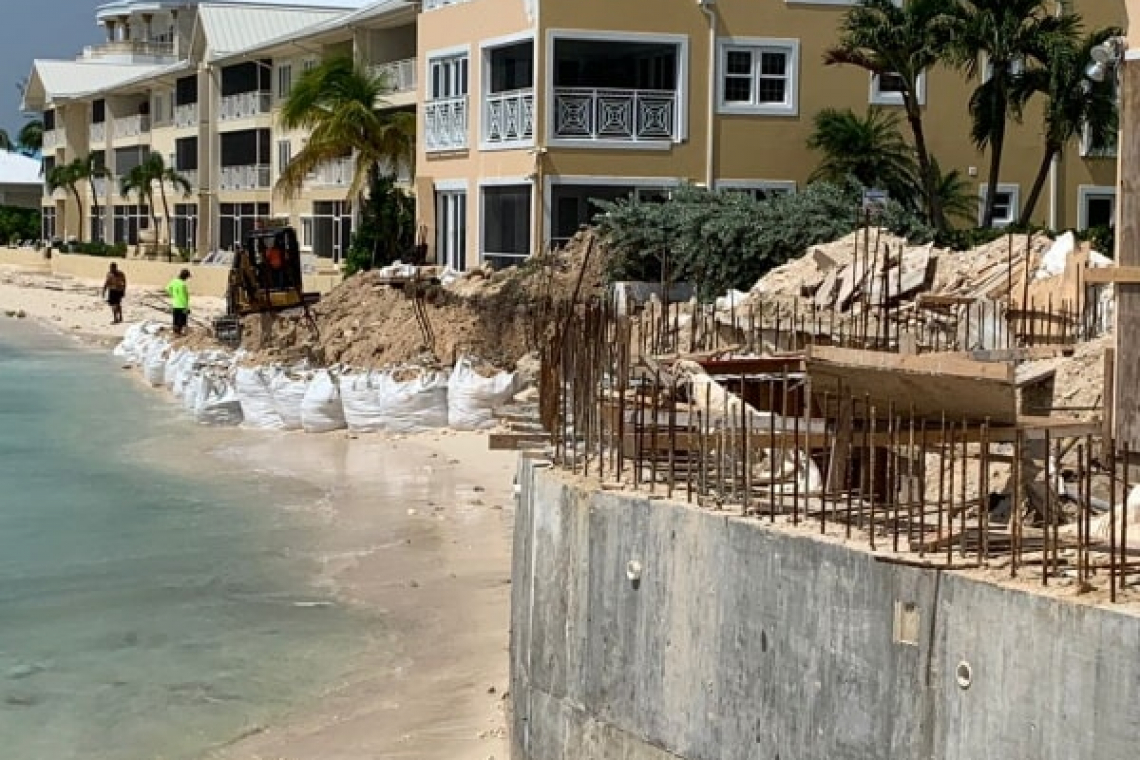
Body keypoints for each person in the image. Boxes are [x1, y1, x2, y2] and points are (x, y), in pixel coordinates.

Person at [166, 268, 192, 337]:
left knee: (175, 319)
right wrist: (187, 307)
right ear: (185, 277)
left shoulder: (174, 281)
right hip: (182, 305)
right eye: (187, 277)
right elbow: (185, 297)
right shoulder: (183, 285)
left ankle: (175, 332)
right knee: (182, 321)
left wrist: (173, 295)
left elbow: (167, 288)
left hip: (175, 304)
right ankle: (179, 334)